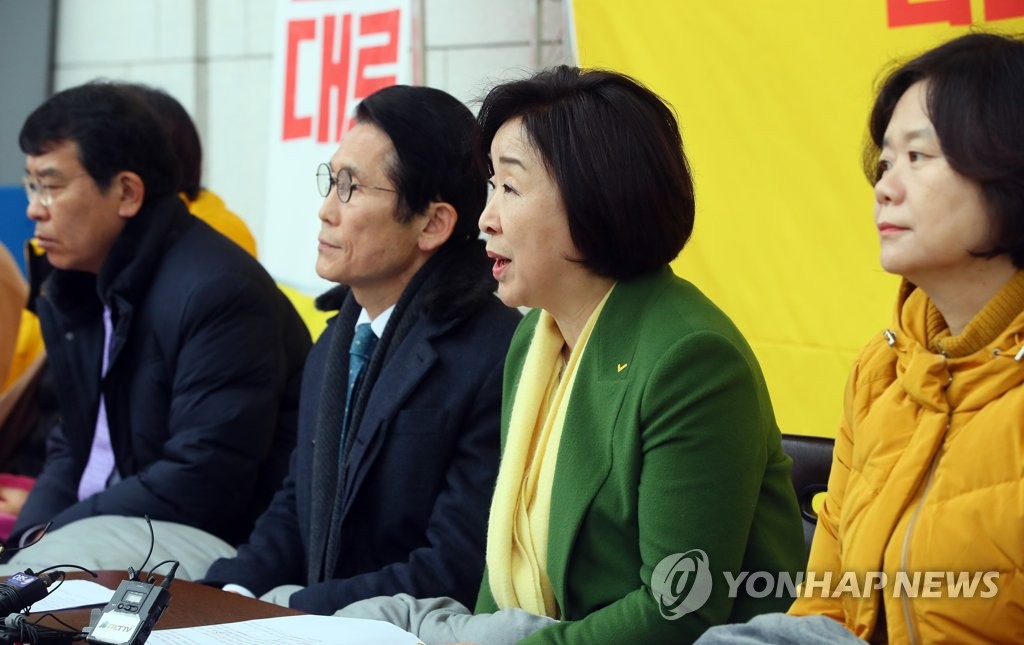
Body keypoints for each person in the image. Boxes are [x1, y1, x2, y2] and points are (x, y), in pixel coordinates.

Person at [339, 66, 805, 644]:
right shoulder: (533, 340)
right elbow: (503, 568)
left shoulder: (692, 360)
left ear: (593, 201)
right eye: (491, 186)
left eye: (510, 189)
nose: (486, 218)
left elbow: (679, 608)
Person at [697, 32, 1024, 645]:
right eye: (886, 164)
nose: (885, 187)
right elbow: (826, 605)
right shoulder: (883, 370)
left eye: (918, 157)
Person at [201, 84, 521, 615]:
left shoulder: (492, 354)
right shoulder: (337, 340)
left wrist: (295, 607)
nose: (326, 210)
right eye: (331, 181)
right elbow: (297, 505)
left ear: (432, 223)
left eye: (350, 187)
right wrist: (230, 590)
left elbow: (455, 566)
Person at [1, 81, 311, 577]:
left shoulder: (219, 291)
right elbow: (71, 446)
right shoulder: (80, 284)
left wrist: (49, 538)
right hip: (112, 523)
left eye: (51, 186)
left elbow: (201, 479)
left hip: (211, 541)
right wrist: (25, 542)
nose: (34, 208)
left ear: (126, 192)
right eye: (32, 185)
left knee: (39, 574)